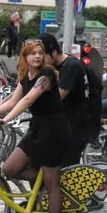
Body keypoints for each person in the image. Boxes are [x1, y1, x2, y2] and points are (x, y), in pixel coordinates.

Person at [0, 39, 71, 213]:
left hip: (54, 131)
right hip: (37, 130)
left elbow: (27, 101)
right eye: (32, 53)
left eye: (40, 52)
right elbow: (11, 101)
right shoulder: (25, 76)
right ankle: (45, 183)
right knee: (10, 168)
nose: (37, 56)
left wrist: (4, 120)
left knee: (52, 184)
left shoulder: (47, 75)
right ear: (24, 56)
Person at [37, 33, 88, 167]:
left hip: (74, 129)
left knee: (64, 173)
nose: (41, 61)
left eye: (44, 56)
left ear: (54, 52)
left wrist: (32, 104)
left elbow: (57, 97)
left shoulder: (72, 66)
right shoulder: (53, 67)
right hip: (59, 126)